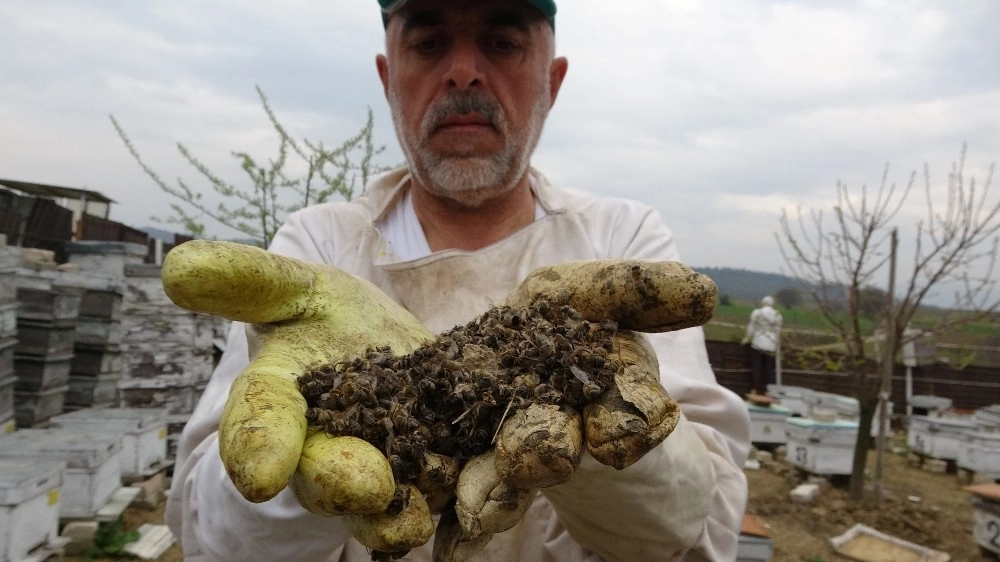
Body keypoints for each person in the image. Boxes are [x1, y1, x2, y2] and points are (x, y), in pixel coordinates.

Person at [165, 1, 750, 560]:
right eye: (429, 42)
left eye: (501, 43)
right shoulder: (319, 247)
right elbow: (209, 534)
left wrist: (607, 442)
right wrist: (296, 488)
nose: (464, 73)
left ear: (553, 80)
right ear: (388, 75)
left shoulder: (622, 241)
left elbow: (699, 529)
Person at [742, 296, 783, 393]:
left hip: (758, 342)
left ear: (763, 302)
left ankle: (754, 389)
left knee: (756, 367)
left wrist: (747, 337)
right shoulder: (777, 315)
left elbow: (751, 327)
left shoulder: (757, 313)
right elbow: (778, 331)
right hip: (772, 344)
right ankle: (769, 391)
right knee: (769, 369)